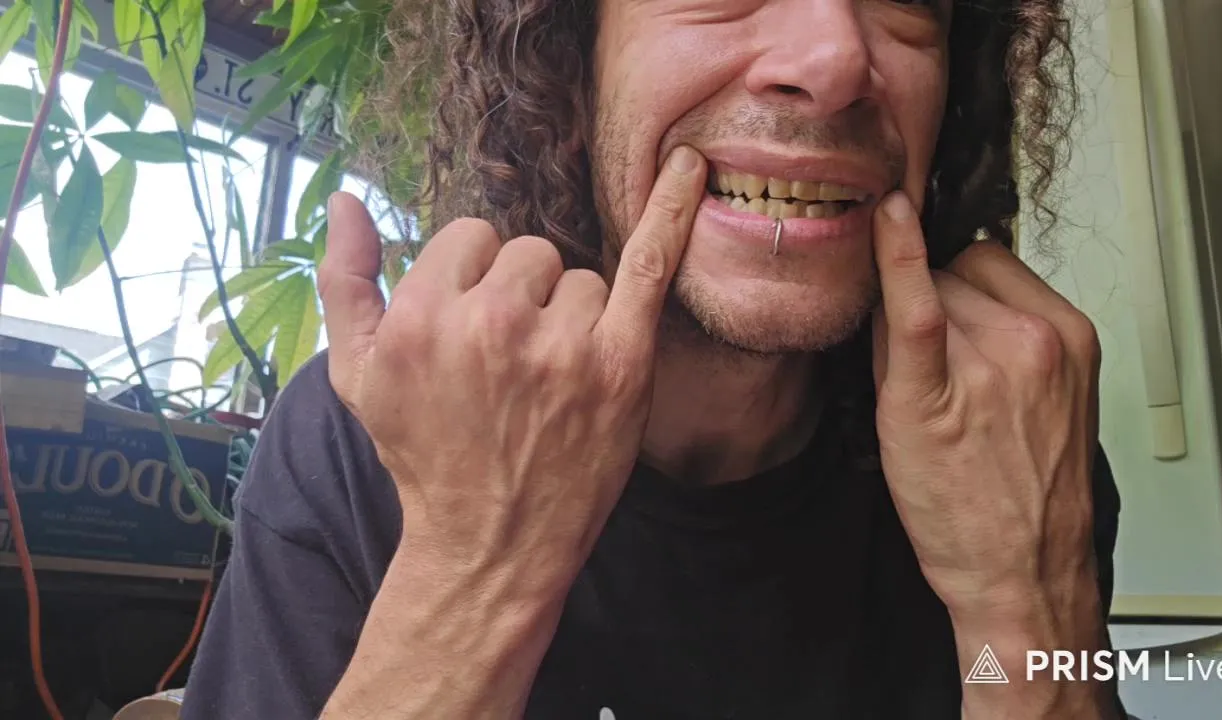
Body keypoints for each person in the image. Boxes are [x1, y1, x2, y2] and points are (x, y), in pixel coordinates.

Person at [181, 0, 1127, 718]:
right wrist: (473, 571)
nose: (835, 58)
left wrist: (1027, 619)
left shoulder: (1010, 452)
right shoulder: (362, 438)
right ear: (572, 51)